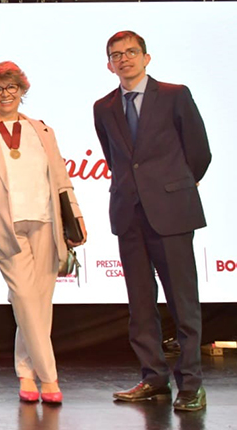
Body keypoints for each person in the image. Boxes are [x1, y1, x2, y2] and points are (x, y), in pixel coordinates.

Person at [94, 31, 211, 411]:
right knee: (140, 304)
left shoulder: (176, 95)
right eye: (116, 55)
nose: (124, 59)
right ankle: (153, 378)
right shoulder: (104, 106)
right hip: (129, 213)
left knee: (183, 302)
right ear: (108, 64)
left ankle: (191, 383)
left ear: (147, 57)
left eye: (131, 52)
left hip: (172, 213)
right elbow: (116, 159)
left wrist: (172, 188)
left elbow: (199, 153)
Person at [0, 61, 86, 404]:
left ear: (22, 91)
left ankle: (26, 373)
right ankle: (50, 378)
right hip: (6, 228)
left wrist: (76, 216)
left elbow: (60, 179)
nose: (5, 95)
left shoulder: (42, 130)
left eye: (11, 88)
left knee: (39, 305)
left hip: (46, 223)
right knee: (27, 300)